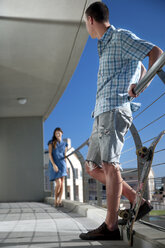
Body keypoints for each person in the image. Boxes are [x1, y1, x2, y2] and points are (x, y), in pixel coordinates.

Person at [79, 2, 163, 240]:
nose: (86, 26)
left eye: (86, 22)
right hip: (101, 112)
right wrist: (138, 75)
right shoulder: (104, 46)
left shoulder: (119, 37)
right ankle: (137, 200)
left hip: (114, 110)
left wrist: (142, 84)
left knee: (109, 164)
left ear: (91, 19)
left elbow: (156, 52)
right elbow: (136, 64)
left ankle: (110, 227)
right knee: (92, 167)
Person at [48, 127, 68, 207]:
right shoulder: (51, 142)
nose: (58, 134)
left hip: (62, 164)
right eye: (56, 133)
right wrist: (53, 165)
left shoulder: (65, 144)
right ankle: (55, 200)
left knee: (62, 183)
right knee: (58, 183)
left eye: (59, 132)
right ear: (55, 135)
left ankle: (59, 200)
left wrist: (66, 167)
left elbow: (65, 155)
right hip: (55, 164)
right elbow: (50, 154)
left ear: (62, 133)